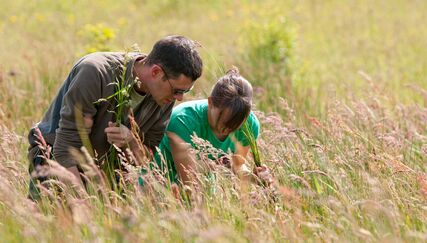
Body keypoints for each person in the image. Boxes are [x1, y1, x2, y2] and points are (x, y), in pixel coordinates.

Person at [27, 35, 203, 200]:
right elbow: (65, 146)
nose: (180, 98)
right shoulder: (95, 71)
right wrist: (83, 203)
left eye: (185, 91)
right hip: (55, 160)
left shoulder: (164, 97)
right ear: (156, 72)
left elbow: (147, 159)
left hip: (104, 173)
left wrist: (132, 142)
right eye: (178, 90)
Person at [150, 68, 272, 194]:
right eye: (223, 121)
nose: (226, 130)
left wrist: (255, 178)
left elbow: (238, 164)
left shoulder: (249, 125)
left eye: (235, 125)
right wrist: (217, 164)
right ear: (210, 103)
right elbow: (188, 178)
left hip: (204, 189)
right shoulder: (183, 120)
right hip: (157, 187)